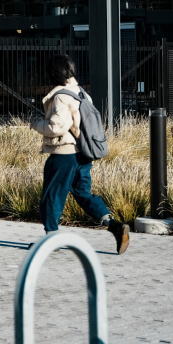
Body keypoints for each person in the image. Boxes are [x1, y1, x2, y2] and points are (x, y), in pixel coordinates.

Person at [30, 54, 130, 254]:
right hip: (83, 155)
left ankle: (51, 241)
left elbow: (58, 126)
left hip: (64, 155)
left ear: (54, 73)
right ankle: (114, 226)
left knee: (52, 196)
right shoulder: (83, 93)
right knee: (83, 194)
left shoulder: (60, 95)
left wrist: (35, 124)